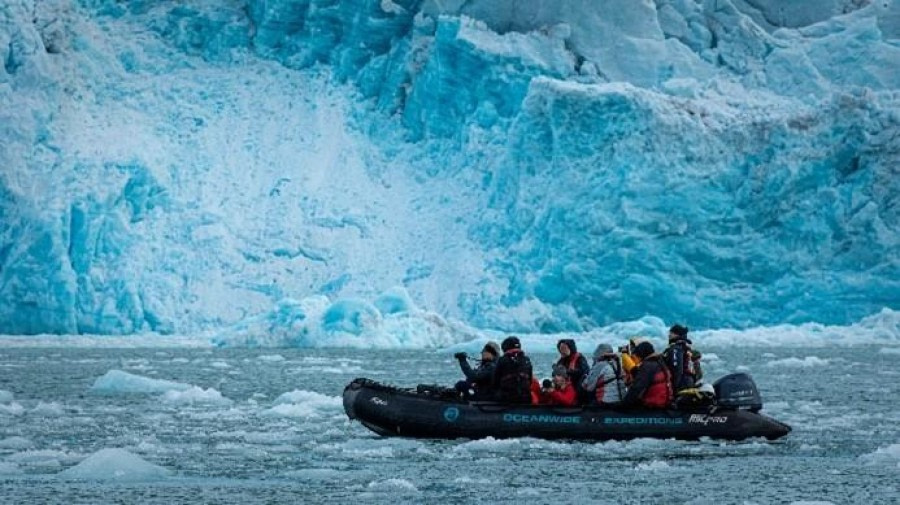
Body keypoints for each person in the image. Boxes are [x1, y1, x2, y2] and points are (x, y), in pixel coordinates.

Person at [621, 341, 673, 409]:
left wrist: (623, 405)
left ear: (642, 354)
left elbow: (637, 387)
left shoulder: (648, 365)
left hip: (654, 404)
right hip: (665, 400)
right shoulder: (661, 361)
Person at [492, 336, 534, 404]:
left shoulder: (502, 360)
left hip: (506, 398)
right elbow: (530, 380)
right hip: (526, 398)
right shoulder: (526, 360)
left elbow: (495, 382)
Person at [663, 324, 702, 393]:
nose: (669, 335)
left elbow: (677, 370)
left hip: (682, 385)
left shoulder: (676, 349)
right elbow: (699, 373)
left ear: (677, 335)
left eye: (671, 333)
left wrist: (674, 389)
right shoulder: (687, 349)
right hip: (690, 382)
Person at [555, 339, 590, 403]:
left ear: (571, 348)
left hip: (577, 385)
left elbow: (583, 371)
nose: (562, 351)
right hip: (565, 385)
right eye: (561, 349)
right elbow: (556, 371)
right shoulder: (561, 360)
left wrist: (568, 372)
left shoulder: (580, 358)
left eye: (564, 348)